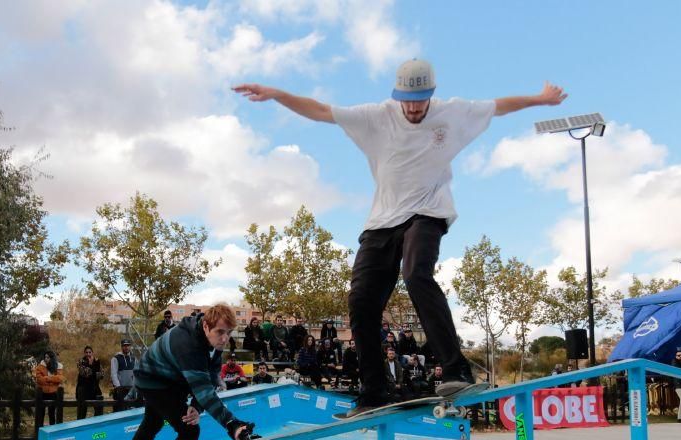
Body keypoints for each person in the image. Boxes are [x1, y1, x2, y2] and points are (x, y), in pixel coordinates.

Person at [235, 59, 566, 416]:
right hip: (381, 222)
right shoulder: (375, 116)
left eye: (420, 101)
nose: (412, 108)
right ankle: (375, 392)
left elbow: (499, 106)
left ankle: (456, 369)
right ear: (397, 95)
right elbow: (319, 111)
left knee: (416, 274)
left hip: (427, 213)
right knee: (361, 302)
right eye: (406, 100)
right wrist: (277, 94)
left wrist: (539, 98)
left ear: (431, 94)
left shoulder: (453, 112)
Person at [118, 305, 254, 440]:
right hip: (154, 380)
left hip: (171, 378)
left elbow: (211, 374)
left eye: (229, 333)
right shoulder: (188, 344)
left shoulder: (212, 339)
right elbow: (204, 390)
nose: (225, 339)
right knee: (189, 430)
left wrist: (196, 406)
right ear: (206, 326)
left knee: (152, 422)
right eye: (220, 332)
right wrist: (231, 424)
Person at [34, 350, 63, 426]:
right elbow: (39, 379)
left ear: (52, 358)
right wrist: (52, 379)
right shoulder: (40, 367)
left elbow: (59, 378)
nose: (46, 359)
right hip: (42, 393)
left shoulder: (58, 366)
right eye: (45, 357)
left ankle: (52, 430)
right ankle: (39, 430)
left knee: (52, 413)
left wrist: (47, 378)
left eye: (48, 357)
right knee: (41, 413)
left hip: (53, 393)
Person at [76, 346, 103, 419]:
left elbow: (101, 375)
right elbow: (85, 374)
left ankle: (96, 425)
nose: (88, 354)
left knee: (99, 409)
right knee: (82, 411)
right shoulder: (80, 361)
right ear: (84, 353)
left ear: (92, 353)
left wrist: (92, 369)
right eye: (86, 352)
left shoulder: (97, 361)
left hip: (94, 387)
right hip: (83, 388)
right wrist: (92, 366)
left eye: (90, 352)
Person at [110, 339, 136, 412]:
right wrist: (118, 387)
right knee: (119, 410)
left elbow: (136, 373)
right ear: (121, 347)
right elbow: (113, 374)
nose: (126, 347)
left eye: (128, 345)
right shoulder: (116, 358)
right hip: (120, 389)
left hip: (131, 389)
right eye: (124, 346)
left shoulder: (134, 358)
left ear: (130, 346)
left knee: (131, 410)